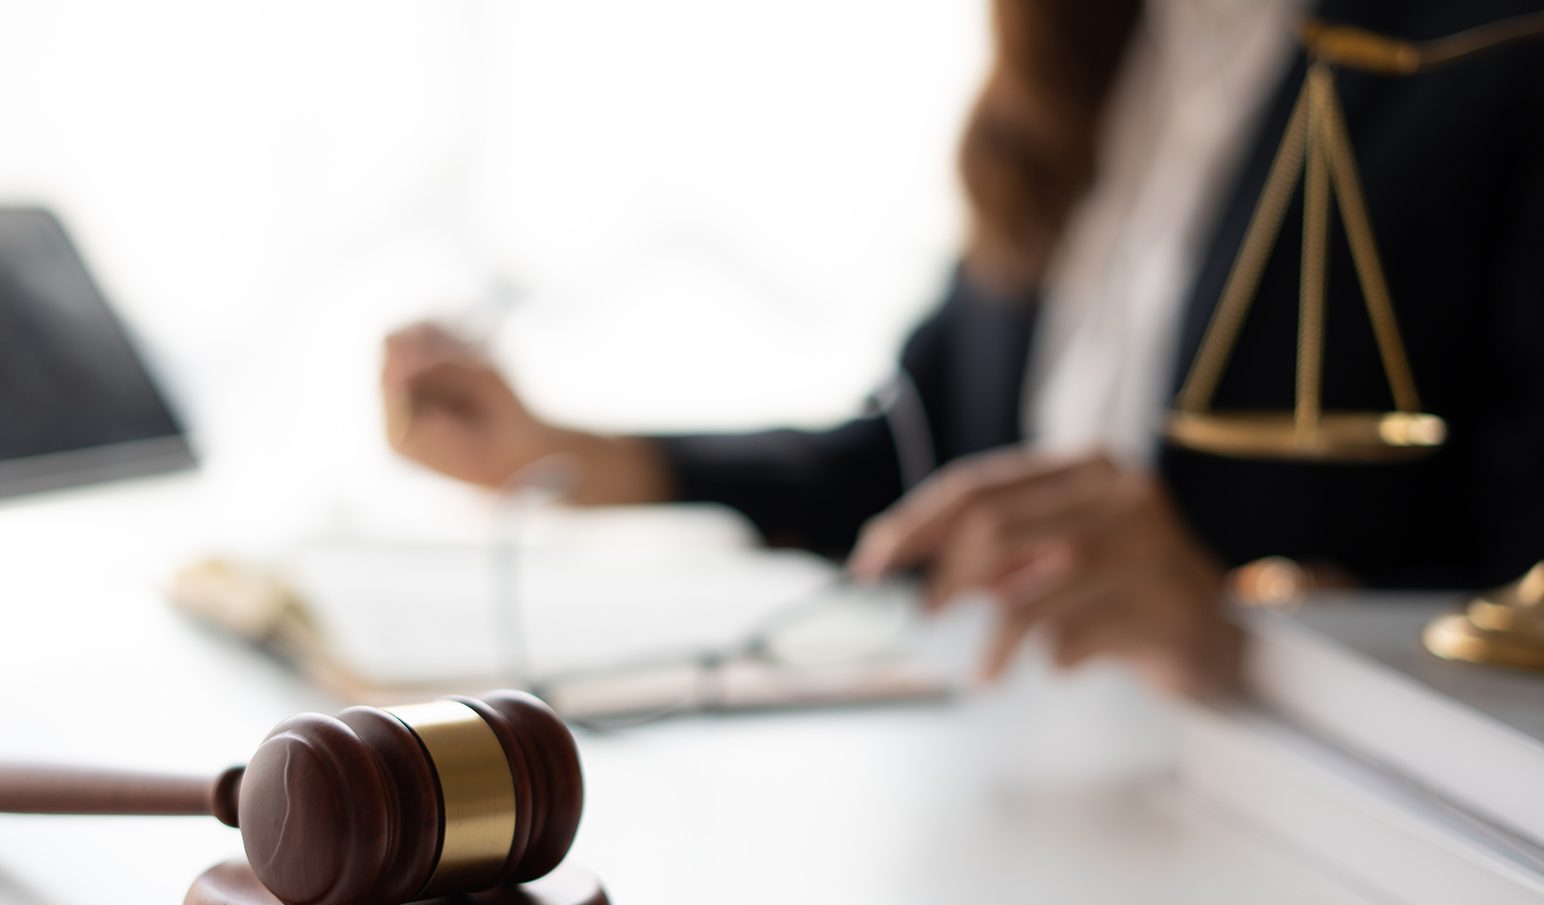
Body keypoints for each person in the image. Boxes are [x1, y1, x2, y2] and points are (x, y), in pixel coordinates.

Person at [382, 0, 1544, 698]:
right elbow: (913, 469)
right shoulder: (1084, 64)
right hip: (1022, 798)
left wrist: (1234, 626)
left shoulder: (1488, 58)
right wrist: (569, 454)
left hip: (1336, 865)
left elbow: (1513, 599)